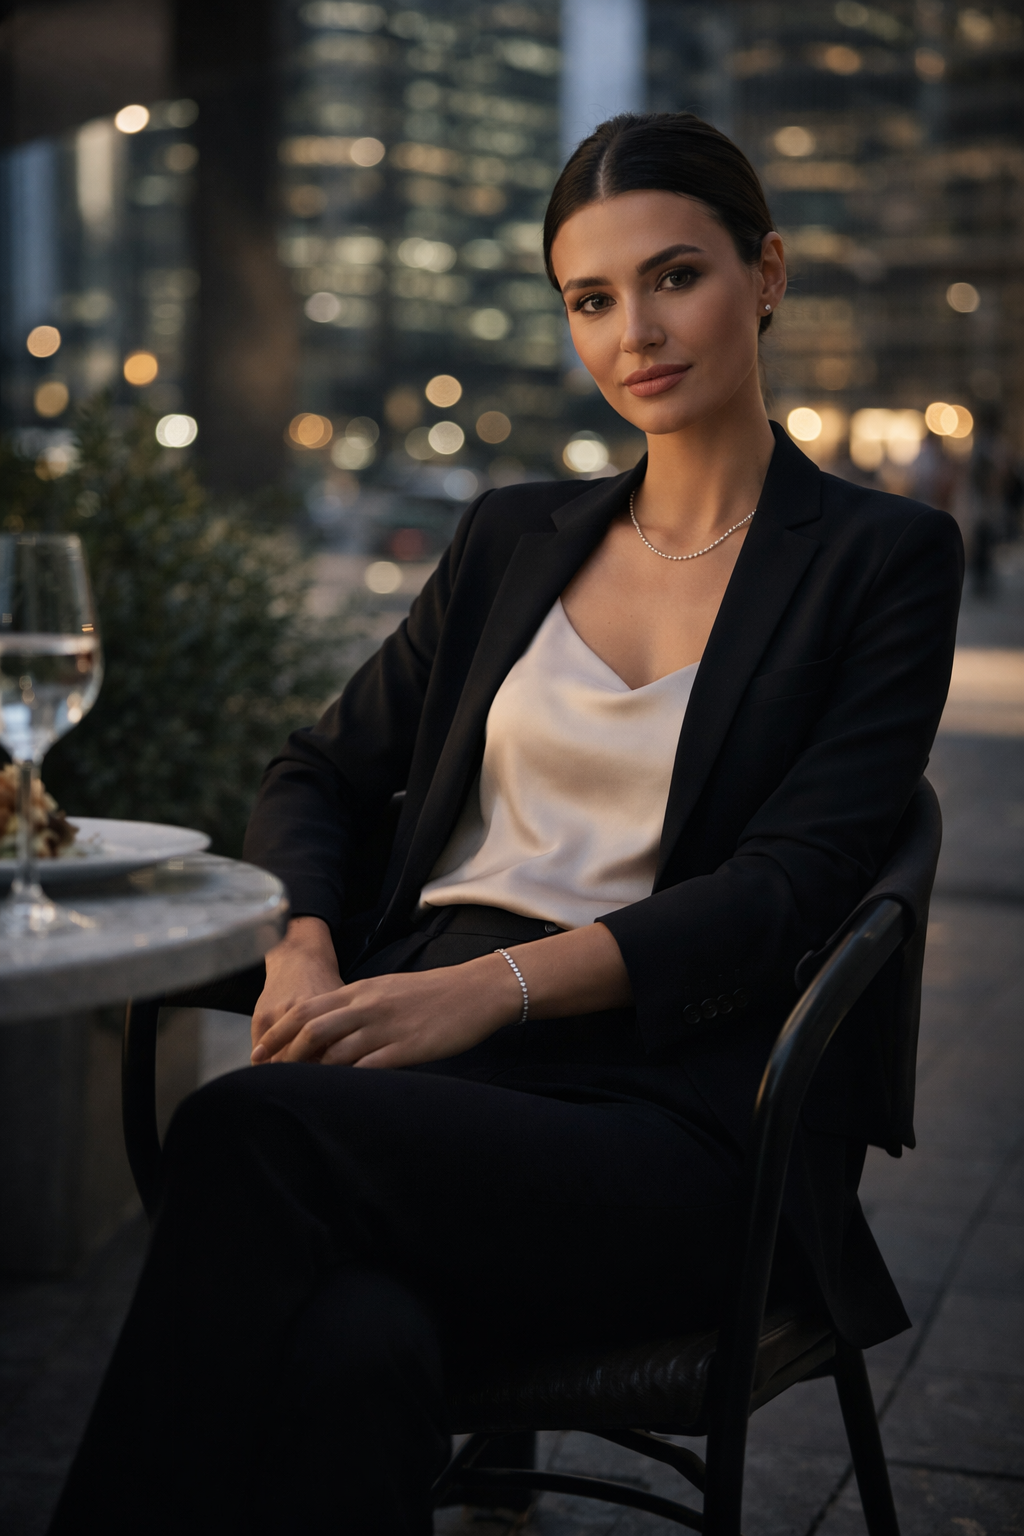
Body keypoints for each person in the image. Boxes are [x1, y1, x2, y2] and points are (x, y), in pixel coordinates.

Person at [50, 113, 963, 1536]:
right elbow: (319, 771)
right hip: (432, 1087)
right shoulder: (510, 538)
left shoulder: (881, 558)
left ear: (766, 273)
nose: (634, 334)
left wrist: (486, 992)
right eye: (590, 300)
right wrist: (303, 948)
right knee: (360, 1351)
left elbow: (792, 888)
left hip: (677, 1119)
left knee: (248, 1134)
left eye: (675, 278)